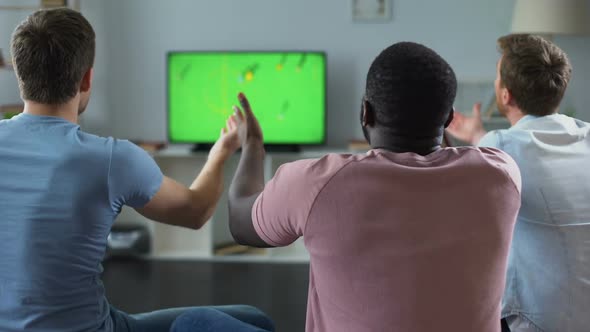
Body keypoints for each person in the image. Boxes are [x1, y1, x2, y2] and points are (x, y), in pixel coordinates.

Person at [0, 8, 274, 332]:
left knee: (250, 318)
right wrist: (223, 150)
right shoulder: (113, 158)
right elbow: (196, 211)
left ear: (20, 75)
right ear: (87, 78)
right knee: (217, 321)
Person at [227, 42, 522, 332]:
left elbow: (240, 220)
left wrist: (252, 145)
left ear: (365, 113)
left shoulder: (314, 182)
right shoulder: (501, 175)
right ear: (447, 118)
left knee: (215, 320)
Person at [447, 34, 590, 332]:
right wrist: (478, 137)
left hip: (537, 322)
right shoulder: (585, 134)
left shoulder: (500, 145)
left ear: (505, 95)